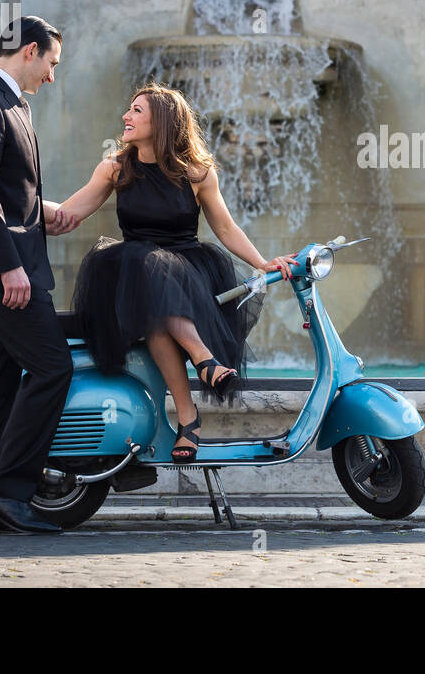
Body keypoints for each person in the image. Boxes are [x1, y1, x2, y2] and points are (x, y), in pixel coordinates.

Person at [57, 83, 297, 460]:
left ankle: (188, 419)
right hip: (130, 275)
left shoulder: (198, 173)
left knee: (158, 316)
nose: (126, 116)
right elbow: (68, 214)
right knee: (148, 274)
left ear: (164, 121)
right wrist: (19, 205)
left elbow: (225, 228)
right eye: (129, 109)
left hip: (188, 272)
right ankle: (204, 362)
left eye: (137, 111)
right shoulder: (115, 168)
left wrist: (262, 263)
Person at [0, 15, 84, 534]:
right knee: (53, 368)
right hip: (2, 274)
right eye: (51, 62)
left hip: (1, 270)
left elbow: (5, 190)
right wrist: (9, 266)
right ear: (30, 50)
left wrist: (44, 210)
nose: (52, 75)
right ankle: (6, 490)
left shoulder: (11, 104)